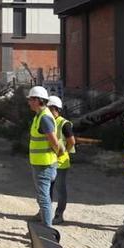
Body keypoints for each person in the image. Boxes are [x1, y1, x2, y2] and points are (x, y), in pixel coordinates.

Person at [27, 86, 65, 227]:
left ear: (38, 100)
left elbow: (54, 141)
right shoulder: (40, 116)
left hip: (45, 165)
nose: (29, 102)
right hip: (40, 163)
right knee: (43, 198)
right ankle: (46, 227)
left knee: (44, 199)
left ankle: (48, 231)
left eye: (31, 99)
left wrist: (58, 154)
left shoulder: (44, 118)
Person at [47, 96, 75, 225]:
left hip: (61, 162)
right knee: (48, 188)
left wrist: (64, 152)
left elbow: (71, 141)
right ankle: (46, 211)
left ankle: (59, 214)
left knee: (60, 189)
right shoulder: (48, 121)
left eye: (48, 108)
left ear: (55, 108)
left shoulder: (64, 123)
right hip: (49, 160)